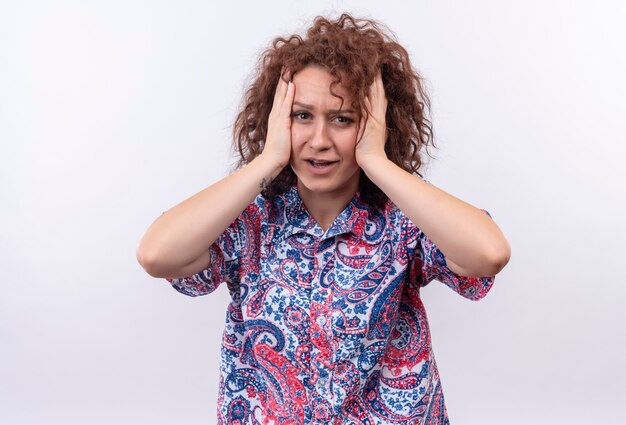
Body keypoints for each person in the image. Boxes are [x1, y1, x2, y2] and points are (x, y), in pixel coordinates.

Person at [137, 13, 510, 425]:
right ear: (277, 121)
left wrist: (376, 160)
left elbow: (489, 253)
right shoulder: (250, 222)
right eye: (302, 116)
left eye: (343, 119)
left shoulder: (403, 221)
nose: (319, 140)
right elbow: (156, 254)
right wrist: (269, 158)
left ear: (377, 125)